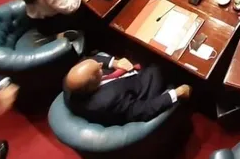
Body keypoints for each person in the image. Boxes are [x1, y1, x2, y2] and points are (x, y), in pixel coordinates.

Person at [63, 52, 191, 126]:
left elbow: (90, 60)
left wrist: (114, 63)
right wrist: (177, 93)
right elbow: (143, 111)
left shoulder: (72, 82)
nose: (100, 64)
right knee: (162, 63)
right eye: (98, 69)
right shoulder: (110, 101)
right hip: (142, 88)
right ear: (92, 85)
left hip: (124, 79)